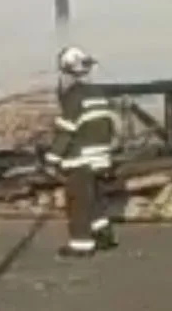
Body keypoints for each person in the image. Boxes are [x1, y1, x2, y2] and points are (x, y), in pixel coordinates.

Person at [42, 46, 119, 258]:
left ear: (67, 72)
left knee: (78, 201)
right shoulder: (99, 93)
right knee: (94, 198)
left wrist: (51, 159)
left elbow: (66, 132)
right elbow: (110, 126)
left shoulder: (74, 97)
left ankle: (81, 244)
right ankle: (104, 234)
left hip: (80, 158)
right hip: (101, 156)